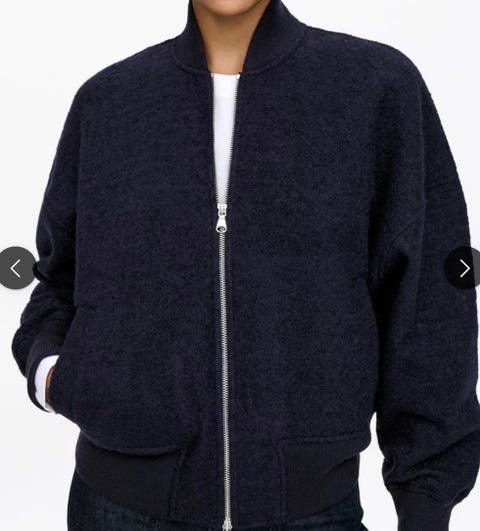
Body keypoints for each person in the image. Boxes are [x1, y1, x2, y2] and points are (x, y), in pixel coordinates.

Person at [11, 0, 480, 530]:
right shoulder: (109, 102)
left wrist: (425, 501)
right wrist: (54, 375)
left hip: (311, 513)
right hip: (115, 508)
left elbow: (428, 303)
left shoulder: (373, 88)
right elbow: (57, 280)